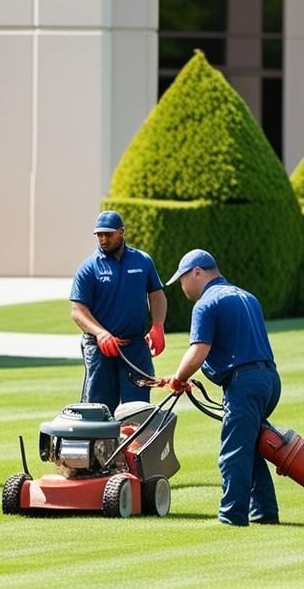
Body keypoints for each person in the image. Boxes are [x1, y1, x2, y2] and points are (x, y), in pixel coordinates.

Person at [155, 249, 281, 526]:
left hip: (244, 383)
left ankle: (232, 516)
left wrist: (177, 379)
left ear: (197, 272)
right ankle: (264, 511)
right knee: (249, 446)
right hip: (270, 380)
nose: (182, 286)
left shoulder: (206, 304)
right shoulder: (247, 296)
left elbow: (199, 351)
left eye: (183, 279)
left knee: (234, 452)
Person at [68, 210, 168, 410]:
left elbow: (156, 294)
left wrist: (158, 325)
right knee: (98, 408)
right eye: (99, 235)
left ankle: (135, 442)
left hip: (135, 346)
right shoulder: (88, 268)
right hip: (100, 349)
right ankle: (102, 443)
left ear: (121, 232)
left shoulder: (142, 261)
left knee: (138, 408)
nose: (103, 239)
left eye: (108, 234)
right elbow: (78, 311)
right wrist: (100, 333)